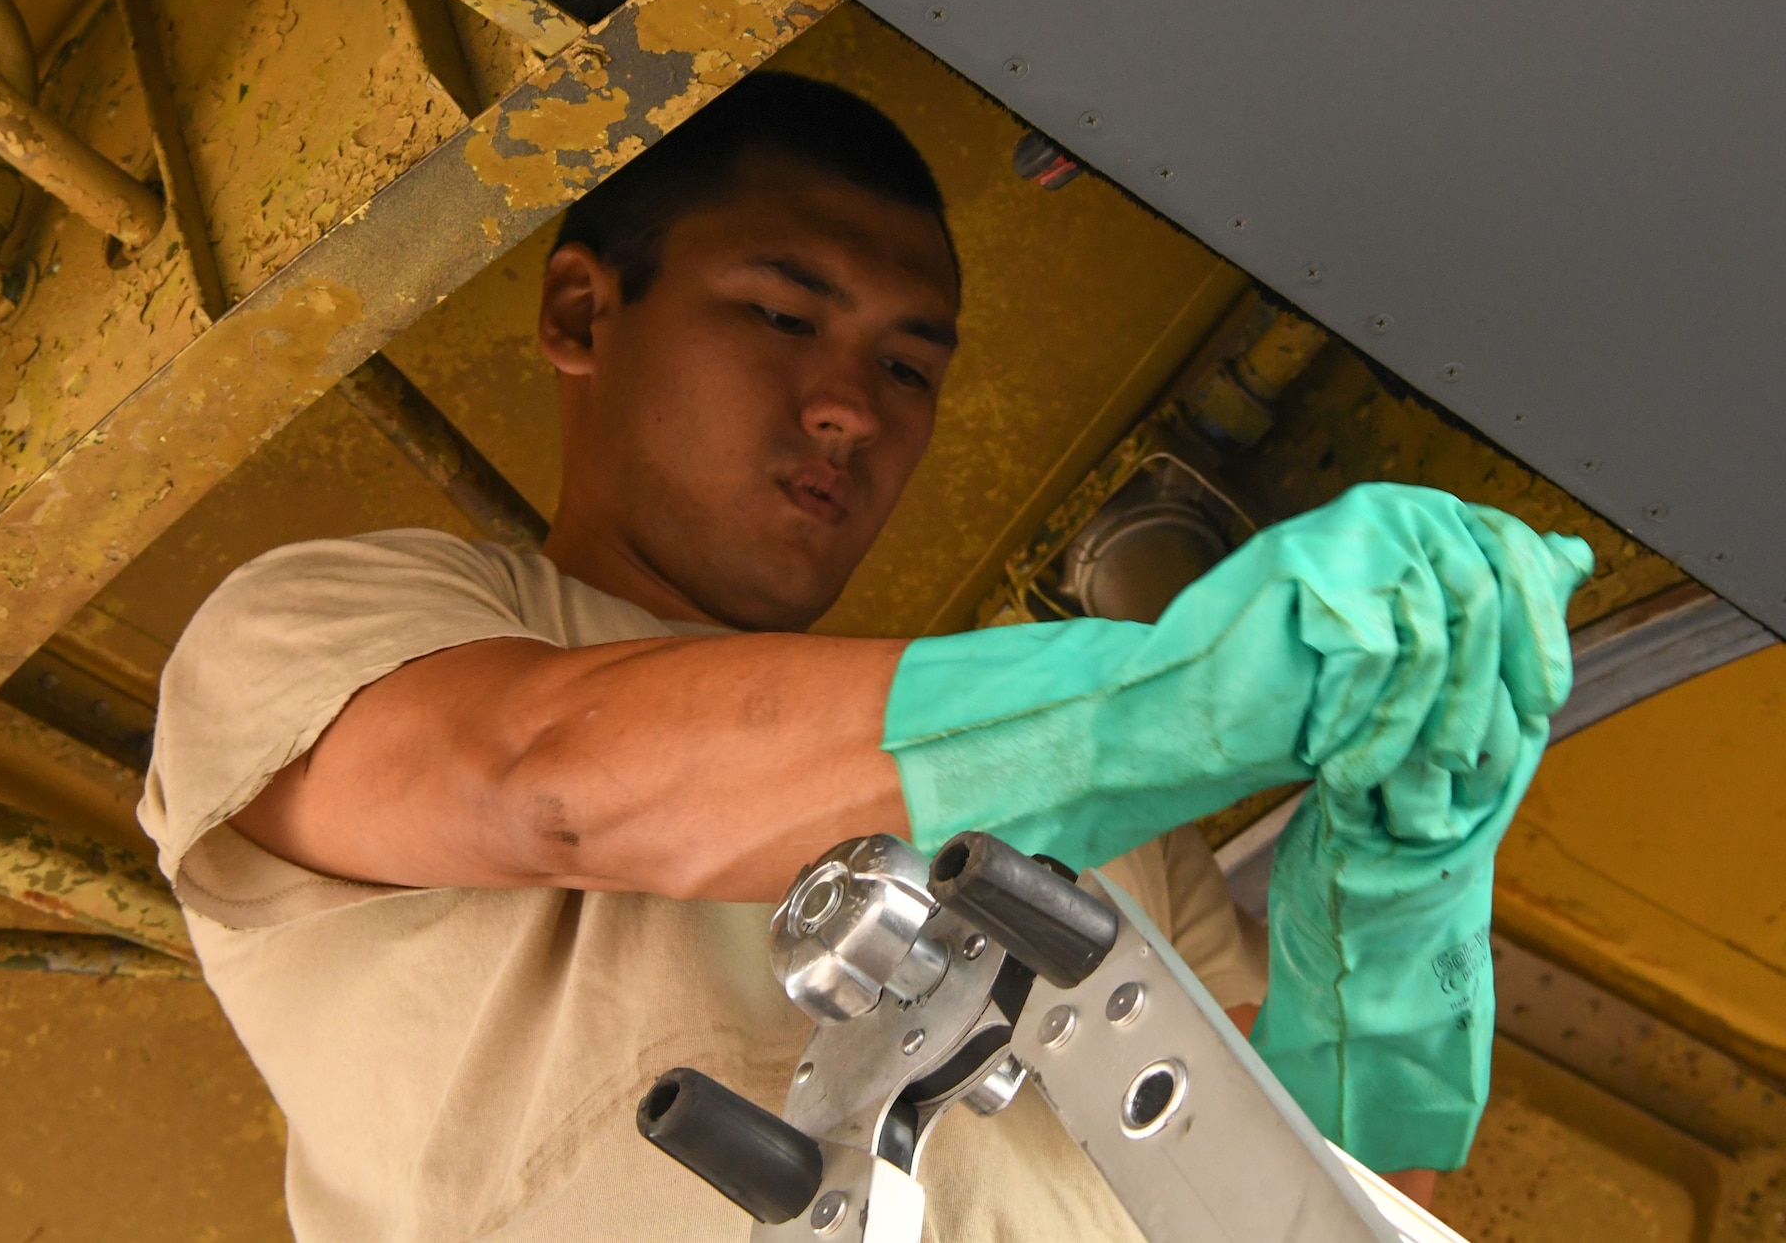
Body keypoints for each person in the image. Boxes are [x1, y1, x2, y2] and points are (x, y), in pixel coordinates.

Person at [142, 72, 1584, 1241]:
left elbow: (1319, 1196)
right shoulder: (332, 625)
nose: (849, 407)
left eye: (908, 366)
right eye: (783, 315)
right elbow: (547, 773)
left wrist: (1406, 879)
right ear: (583, 311)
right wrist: (1151, 701)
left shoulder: (1105, 817)